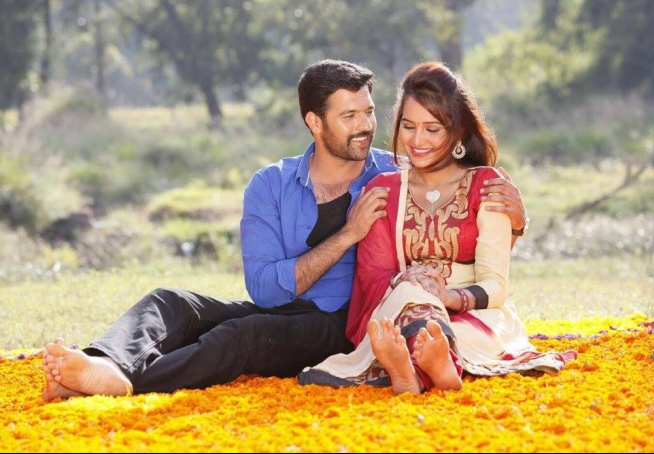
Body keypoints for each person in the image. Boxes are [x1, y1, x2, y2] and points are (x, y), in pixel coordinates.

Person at [41, 59, 529, 401]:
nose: (366, 126)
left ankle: (127, 383)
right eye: (349, 116)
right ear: (315, 122)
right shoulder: (270, 184)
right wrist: (348, 234)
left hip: (342, 321)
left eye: (369, 112)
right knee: (171, 301)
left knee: (242, 336)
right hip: (282, 308)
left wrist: (517, 218)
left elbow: (450, 204)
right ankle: (103, 362)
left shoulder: (394, 173)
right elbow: (266, 290)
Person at [298, 61, 576, 395]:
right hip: (402, 305)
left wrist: (447, 297)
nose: (417, 140)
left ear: (457, 131)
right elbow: (372, 278)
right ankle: (436, 371)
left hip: (474, 313)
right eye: (408, 126)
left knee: (449, 331)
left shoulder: (487, 186)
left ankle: (413, 370)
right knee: (411, 298)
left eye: (432, 129)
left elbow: (495, 286)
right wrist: (410, 282)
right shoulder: (384, 191)